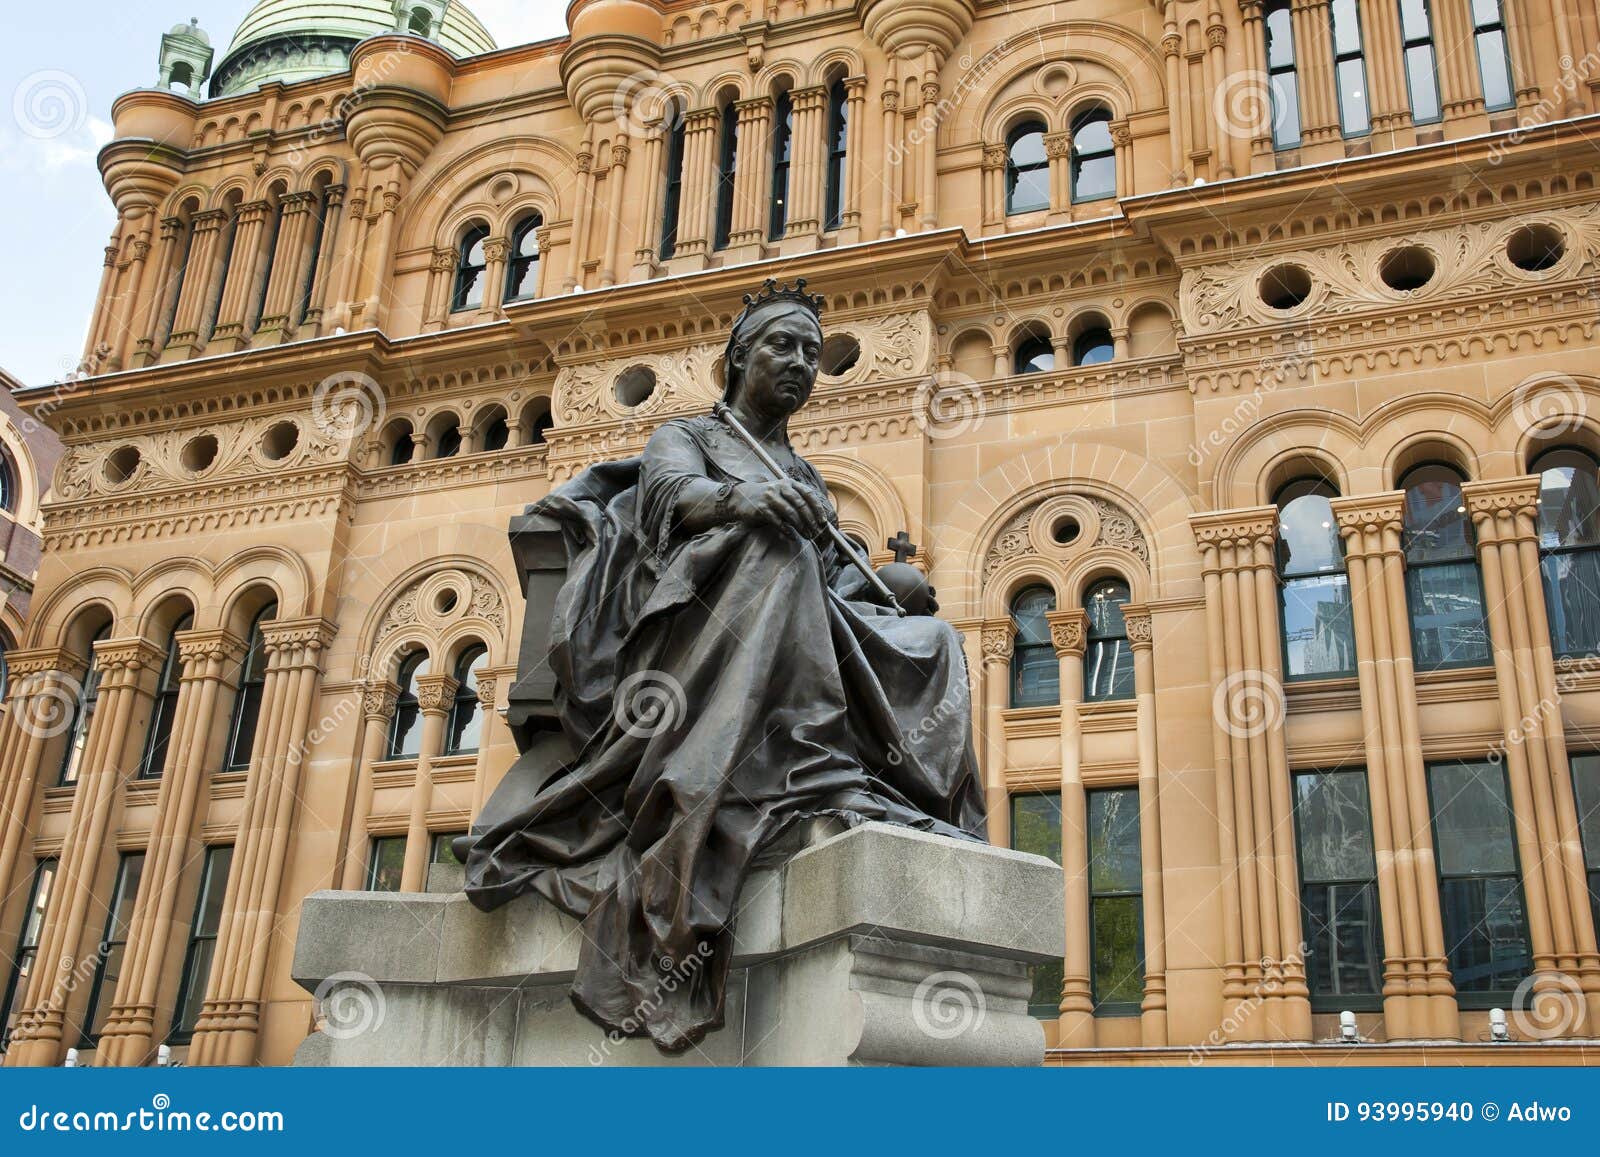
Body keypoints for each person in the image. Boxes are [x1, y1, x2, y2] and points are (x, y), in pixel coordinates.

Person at [461, 279, 985, 1053]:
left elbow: (829, 580)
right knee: (772, 552)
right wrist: (742, 505)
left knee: (935, 636)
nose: (801, 362)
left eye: (812, 351)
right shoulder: (688, 435)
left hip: (788, 620)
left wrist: (887, 586)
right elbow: (671, 500)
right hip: (685, 633)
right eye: (783, 345)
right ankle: (805, 766)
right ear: (738, 357)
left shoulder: (804, 472)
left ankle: (863, 777)